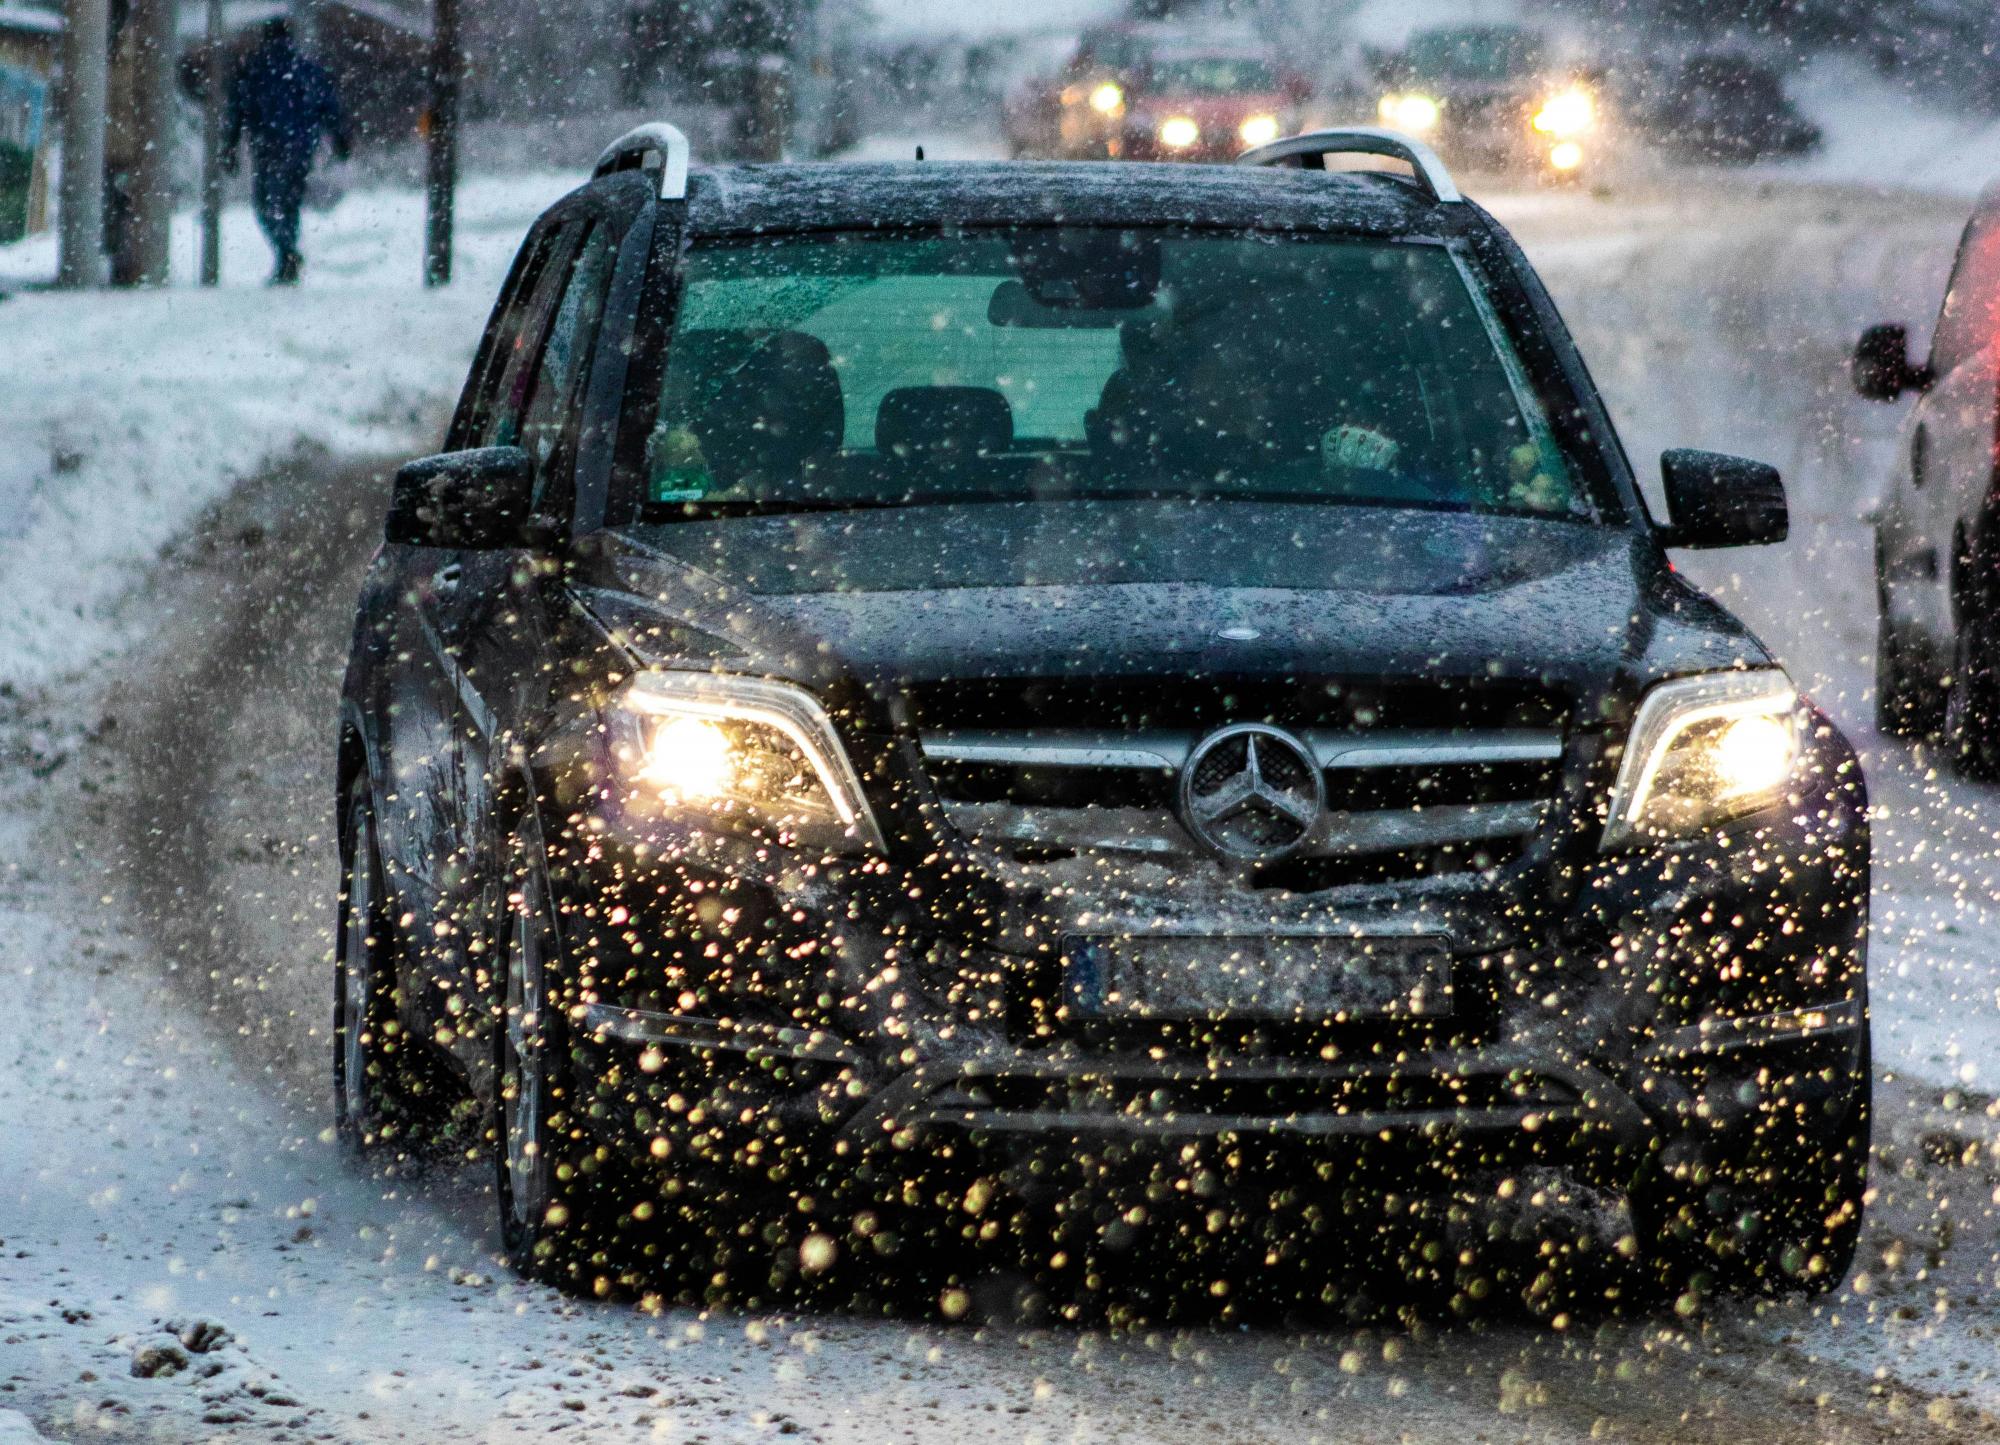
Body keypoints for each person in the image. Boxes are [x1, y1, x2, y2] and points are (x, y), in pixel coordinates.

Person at [223, 19, 351, 285]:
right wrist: (339, 138)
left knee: (264, 202)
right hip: (301, 146)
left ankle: (285, 251)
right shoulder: (306, 70)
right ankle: (287, 251)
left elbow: (236, 110)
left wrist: (230, 146)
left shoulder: (253, 71)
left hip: (266, 145)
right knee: (289, 201)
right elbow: (328, 106)